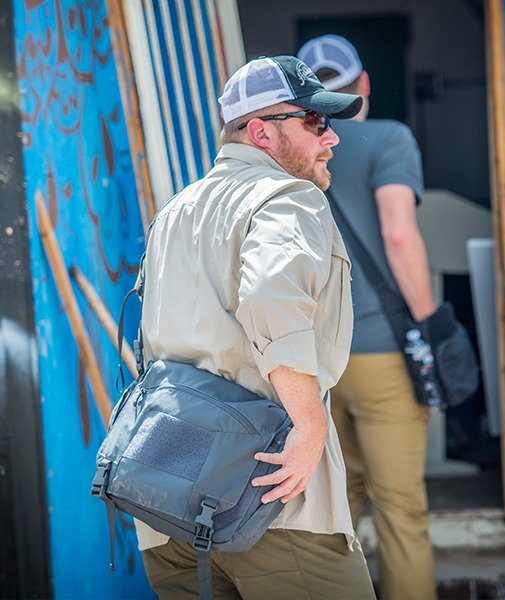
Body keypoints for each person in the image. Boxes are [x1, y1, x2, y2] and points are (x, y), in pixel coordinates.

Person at [135, 55, 376, 600]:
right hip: (270, 499)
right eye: (314, 121)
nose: (331, 138)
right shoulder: (288, 197)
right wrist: (309, 427)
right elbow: (271, 296)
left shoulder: (174, 210)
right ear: (262, 132)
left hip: (168, 502)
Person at [298, 35, 437, 600]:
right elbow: (399, 235)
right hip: (382, 354)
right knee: (400, 510)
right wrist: (428, 326)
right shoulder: (389, 138)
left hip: (310, 364)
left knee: (335, 510)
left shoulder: (290, 151)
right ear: (364, 85)